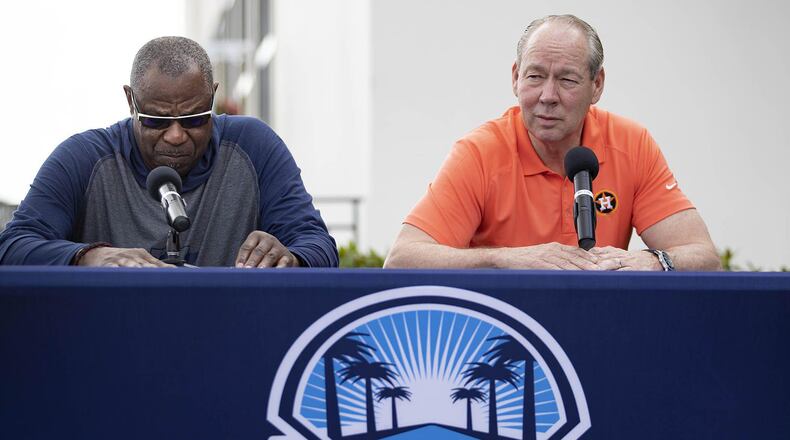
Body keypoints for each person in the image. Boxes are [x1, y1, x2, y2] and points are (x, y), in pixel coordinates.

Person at [385, 15, 719, 271]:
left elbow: (703, 255)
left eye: (566, 80)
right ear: (515, 78)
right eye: (535, 76)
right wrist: (508, 260)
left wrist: (653, 261)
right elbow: (402, 258)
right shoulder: (480, 152)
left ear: (597, 85)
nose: (547, 96)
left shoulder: (631, 143)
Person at [0, 36, 338, 268]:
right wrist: (89, 257)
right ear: (131, 100)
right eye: (156, 121)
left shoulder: (255, 146)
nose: (176, 136)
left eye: (194, 119)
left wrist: (290, 256)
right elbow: (12, 247)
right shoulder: (83, 158)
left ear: (212, 96)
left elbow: (318, 245)